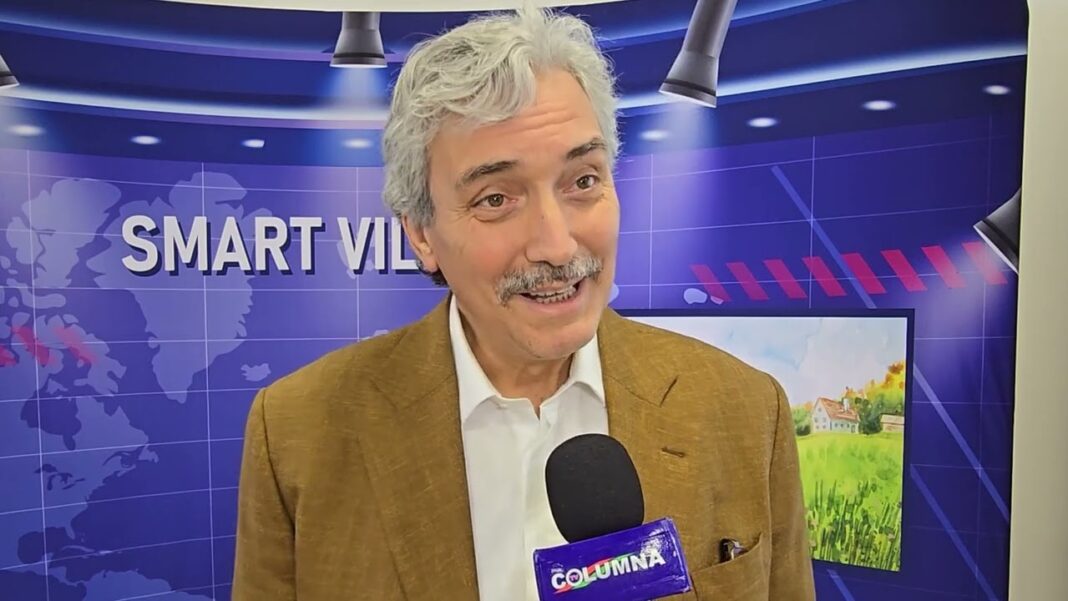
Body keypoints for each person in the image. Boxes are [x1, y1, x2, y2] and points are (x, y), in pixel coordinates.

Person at [232, 6, 815, 601]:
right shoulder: (299, 432)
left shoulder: (745, 411)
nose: (557, 246)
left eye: (583, 180)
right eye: (496, 199)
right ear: (421, 234)